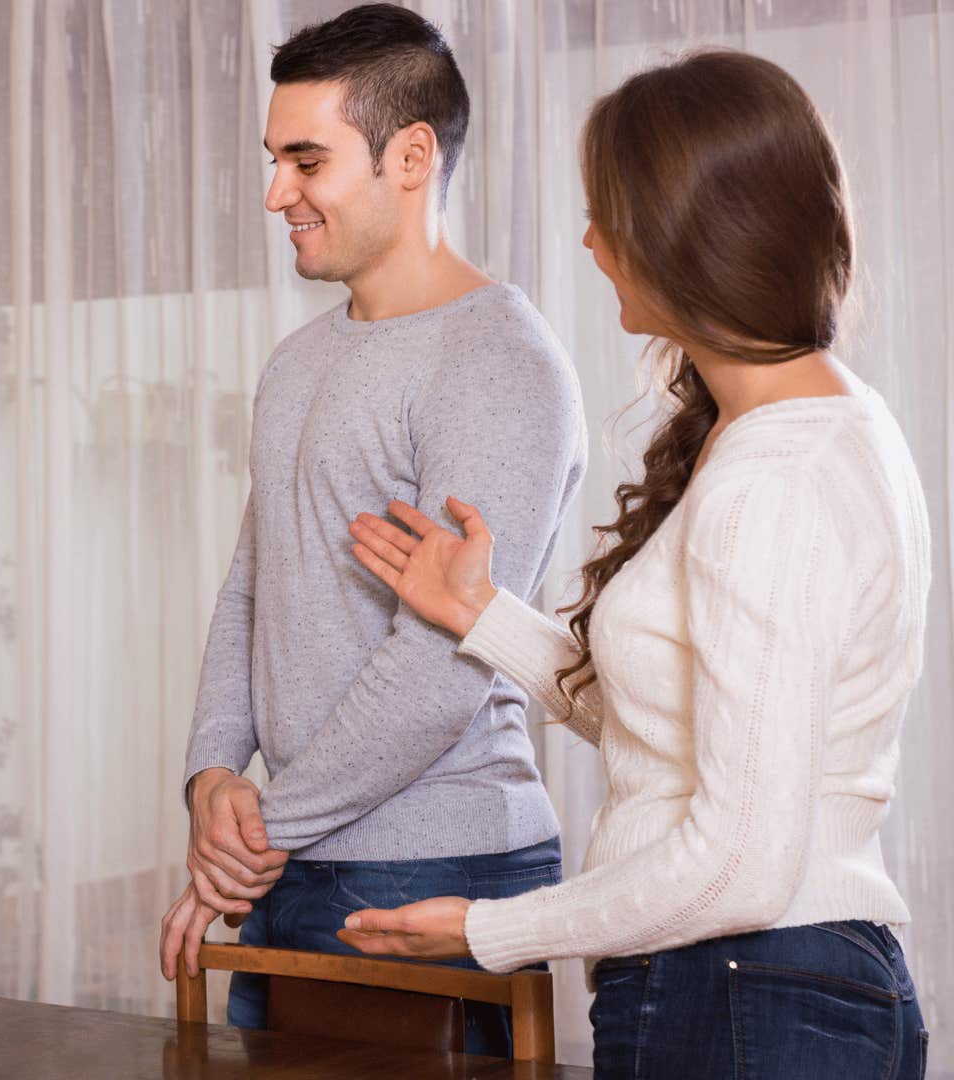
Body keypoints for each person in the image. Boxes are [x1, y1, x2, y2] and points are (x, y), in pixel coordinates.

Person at [340, 50, 931, 1077]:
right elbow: (688, 733)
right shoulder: (810, 433)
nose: (588, 241)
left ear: (680, 236)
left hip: (741, 988)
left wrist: (493, 930)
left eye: (605, 215)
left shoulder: (774, 481)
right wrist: (484, 615)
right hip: (761, 993)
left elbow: (744, 863)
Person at [156, 3, 586, 1055]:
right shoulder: (298, 362)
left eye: (307, 160)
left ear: (410, 155)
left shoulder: (499, 363)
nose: (276, 193)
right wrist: (213, 778)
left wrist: (255, 837)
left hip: (434, 873)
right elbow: (251, 589)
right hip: (293, 861)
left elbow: (443, 663)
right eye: (274, 159)